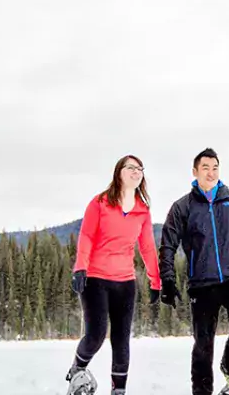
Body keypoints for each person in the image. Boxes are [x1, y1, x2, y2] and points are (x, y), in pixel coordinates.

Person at [159, 147, 229, 395]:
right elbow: (168, 244)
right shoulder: (183, 207)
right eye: (205, 167)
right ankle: (202, 391)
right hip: (202, 283)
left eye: (215, 167)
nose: (211, 172)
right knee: (203, 343)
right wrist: (167, 278)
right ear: (195, 171)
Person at [65, 155, 161, 395]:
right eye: (131, 168)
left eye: (140, 169)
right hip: (95, 278)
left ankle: (119, 391)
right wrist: (80, 267)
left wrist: (156, 281)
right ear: (119, 172)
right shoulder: (100, 203)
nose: (136, 172)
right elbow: (86, 235)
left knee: (121, 341)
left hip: (125, 282)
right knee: (96, 335)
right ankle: (77, 369)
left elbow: (147, 247)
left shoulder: (142, 211)